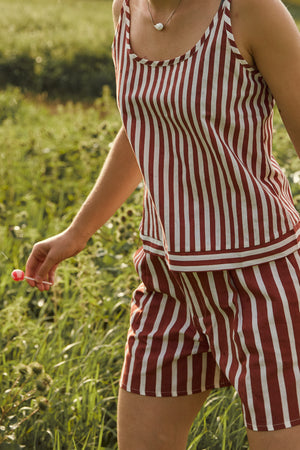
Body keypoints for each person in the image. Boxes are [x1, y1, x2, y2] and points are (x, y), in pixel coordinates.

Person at [25, 0, 300, 448]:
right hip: (167, 279)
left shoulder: (252, 11)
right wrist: (77, 232)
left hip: (262, 279)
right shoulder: (126, 10)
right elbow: (144, 129)